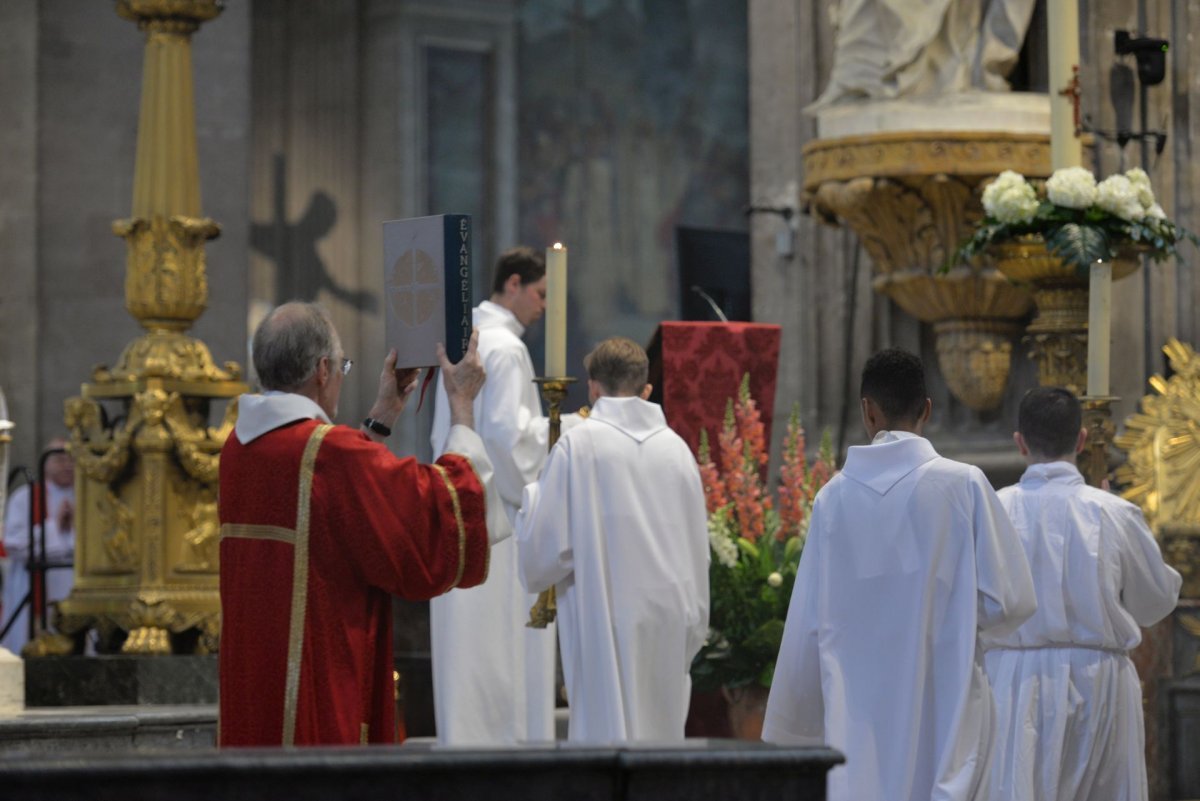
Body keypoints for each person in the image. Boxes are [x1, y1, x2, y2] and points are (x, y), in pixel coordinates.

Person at [219, 301, 506, 747]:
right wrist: (462, 408)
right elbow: (433, 512)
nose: (339, 377)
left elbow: (329, 503)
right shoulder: (326, 455)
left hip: (255, 684)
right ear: (321, 369)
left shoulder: (240, 449)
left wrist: (382, 416)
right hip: (320, 679)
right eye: (342, 367)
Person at [762, 347, 1037, 801]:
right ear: (927, 410)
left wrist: (792, 724)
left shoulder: (832, 500)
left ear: (867, 412)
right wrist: (954, 620)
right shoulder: (963, 484)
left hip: (856, 722)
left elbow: (808, 623)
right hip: (943, 707)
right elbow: (1011, 603)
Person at [983, 387, 1182, 801]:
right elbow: (1156, 601)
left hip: (1014, 683)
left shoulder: (993, 511)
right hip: (1100, 682)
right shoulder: (1113, 512)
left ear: (1019, 442)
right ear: (1081, 440)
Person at [515, 337, 709, 743]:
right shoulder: (678, 451)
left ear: (592, 387)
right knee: (660, 742)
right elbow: (698, 555)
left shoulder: (578, 445)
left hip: (605, 618)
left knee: (608, 743)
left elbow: (544, 553)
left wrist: (532, 498)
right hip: (669, 619)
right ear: (646, 390)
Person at [429, 246, 567, 744]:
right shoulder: (506, 349)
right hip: (501, 521)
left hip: (460, 505)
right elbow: (511, 444)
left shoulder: (468, 337)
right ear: (513, 284)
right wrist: (565, 432)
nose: (545, 305)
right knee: (500, 655)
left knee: (467, 650)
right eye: (541, 293)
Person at [1, 438, 75, 655]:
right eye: (60, 460)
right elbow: (13, 544)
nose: (67, 465)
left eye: (72, 460)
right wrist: (54, 527)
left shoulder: (89, 496)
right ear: (45, 464)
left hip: (75, 582)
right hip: (34, 585)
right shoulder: (25, 497)